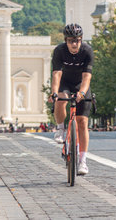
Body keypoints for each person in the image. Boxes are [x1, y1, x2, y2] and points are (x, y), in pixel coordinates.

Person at [48, 23, 93, 176]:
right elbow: (56, 74)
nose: (74, 44)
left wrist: (82, 92)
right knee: (60, 99)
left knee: (82, 122)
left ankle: (82, 161)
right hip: (64, 83)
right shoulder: (59, 51)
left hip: (81, 85)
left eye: (77, 40)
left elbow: (87, 77)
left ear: (81, 40)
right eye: (71, 41)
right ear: (66, 41)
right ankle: (60, 129)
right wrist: (54, 92)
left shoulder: (87, 51)